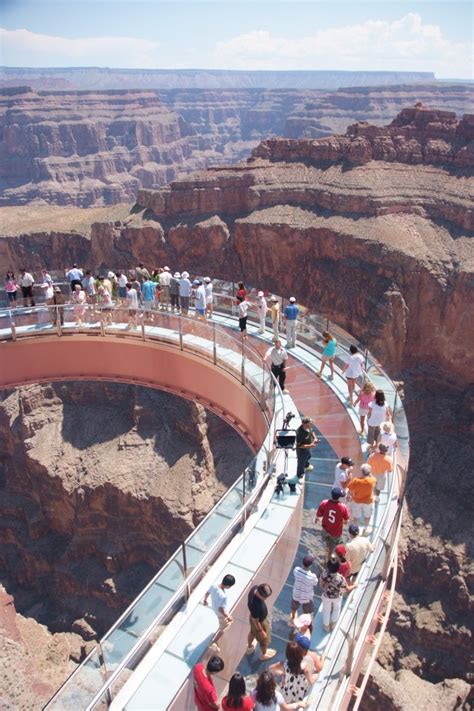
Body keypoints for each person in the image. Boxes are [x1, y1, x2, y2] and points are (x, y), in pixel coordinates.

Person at [319, 556, 355, 632]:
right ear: (338, 568)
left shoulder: (324, 574)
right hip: (336, 597)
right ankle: (333, 625)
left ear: (328, 566)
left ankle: (326, 626)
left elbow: (321, 583)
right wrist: (355, 585)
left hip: (326, 595)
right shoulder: (340, 578)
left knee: (326, 610)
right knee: (336, 609)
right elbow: (346, 589)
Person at [203, 573, 236, 652]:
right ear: (228, 586)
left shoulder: (214, 585)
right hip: (220, 614)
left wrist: (205, 600)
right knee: (224, 628)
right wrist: (228, 617)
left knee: (223, 624)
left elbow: (207, 592)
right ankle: (214, 642)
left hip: (215, 609)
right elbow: (221, 609)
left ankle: (214, 641)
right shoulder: (223, 597)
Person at [315, 487, 350, 554]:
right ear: (339, 497)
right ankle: (331, 555)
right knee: (334, 546)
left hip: (325, 529)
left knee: (326, 544)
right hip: (336, 532)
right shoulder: (343, 507)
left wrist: (317, 519)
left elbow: (319, 515)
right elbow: (346, 521)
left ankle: (327, 553)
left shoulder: (324, 503)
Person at [246, 583, 276, 661]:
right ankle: (263, 654)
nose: (266, 598)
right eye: (265, 597)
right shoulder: (255, 605)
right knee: (264, 640)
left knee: (252, 632)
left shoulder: (254, 588)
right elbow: (256, 620)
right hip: (259, 622)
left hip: (253, 617)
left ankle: (249, 647)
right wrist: (261, 631)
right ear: (260, 594)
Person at [346, 464, 377, 530]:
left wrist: (349, 496)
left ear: (362, 472)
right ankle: (366, 528)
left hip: (357, 501)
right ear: (369, 472)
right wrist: (369, 473)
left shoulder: (356, 481)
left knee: (356, 517)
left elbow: (349, 490)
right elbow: (373, 478)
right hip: (368, 501)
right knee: (367, 516)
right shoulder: (372, 481)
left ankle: (356, 529)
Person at [290, 554, 318, 621]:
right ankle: (305, 621)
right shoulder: (312, 576)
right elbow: (315, 583)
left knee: (294, 607)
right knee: (307, 610)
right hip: (307, 597)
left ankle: (293, 616)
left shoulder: (296, 570)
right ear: (311, 565)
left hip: (296, 594)